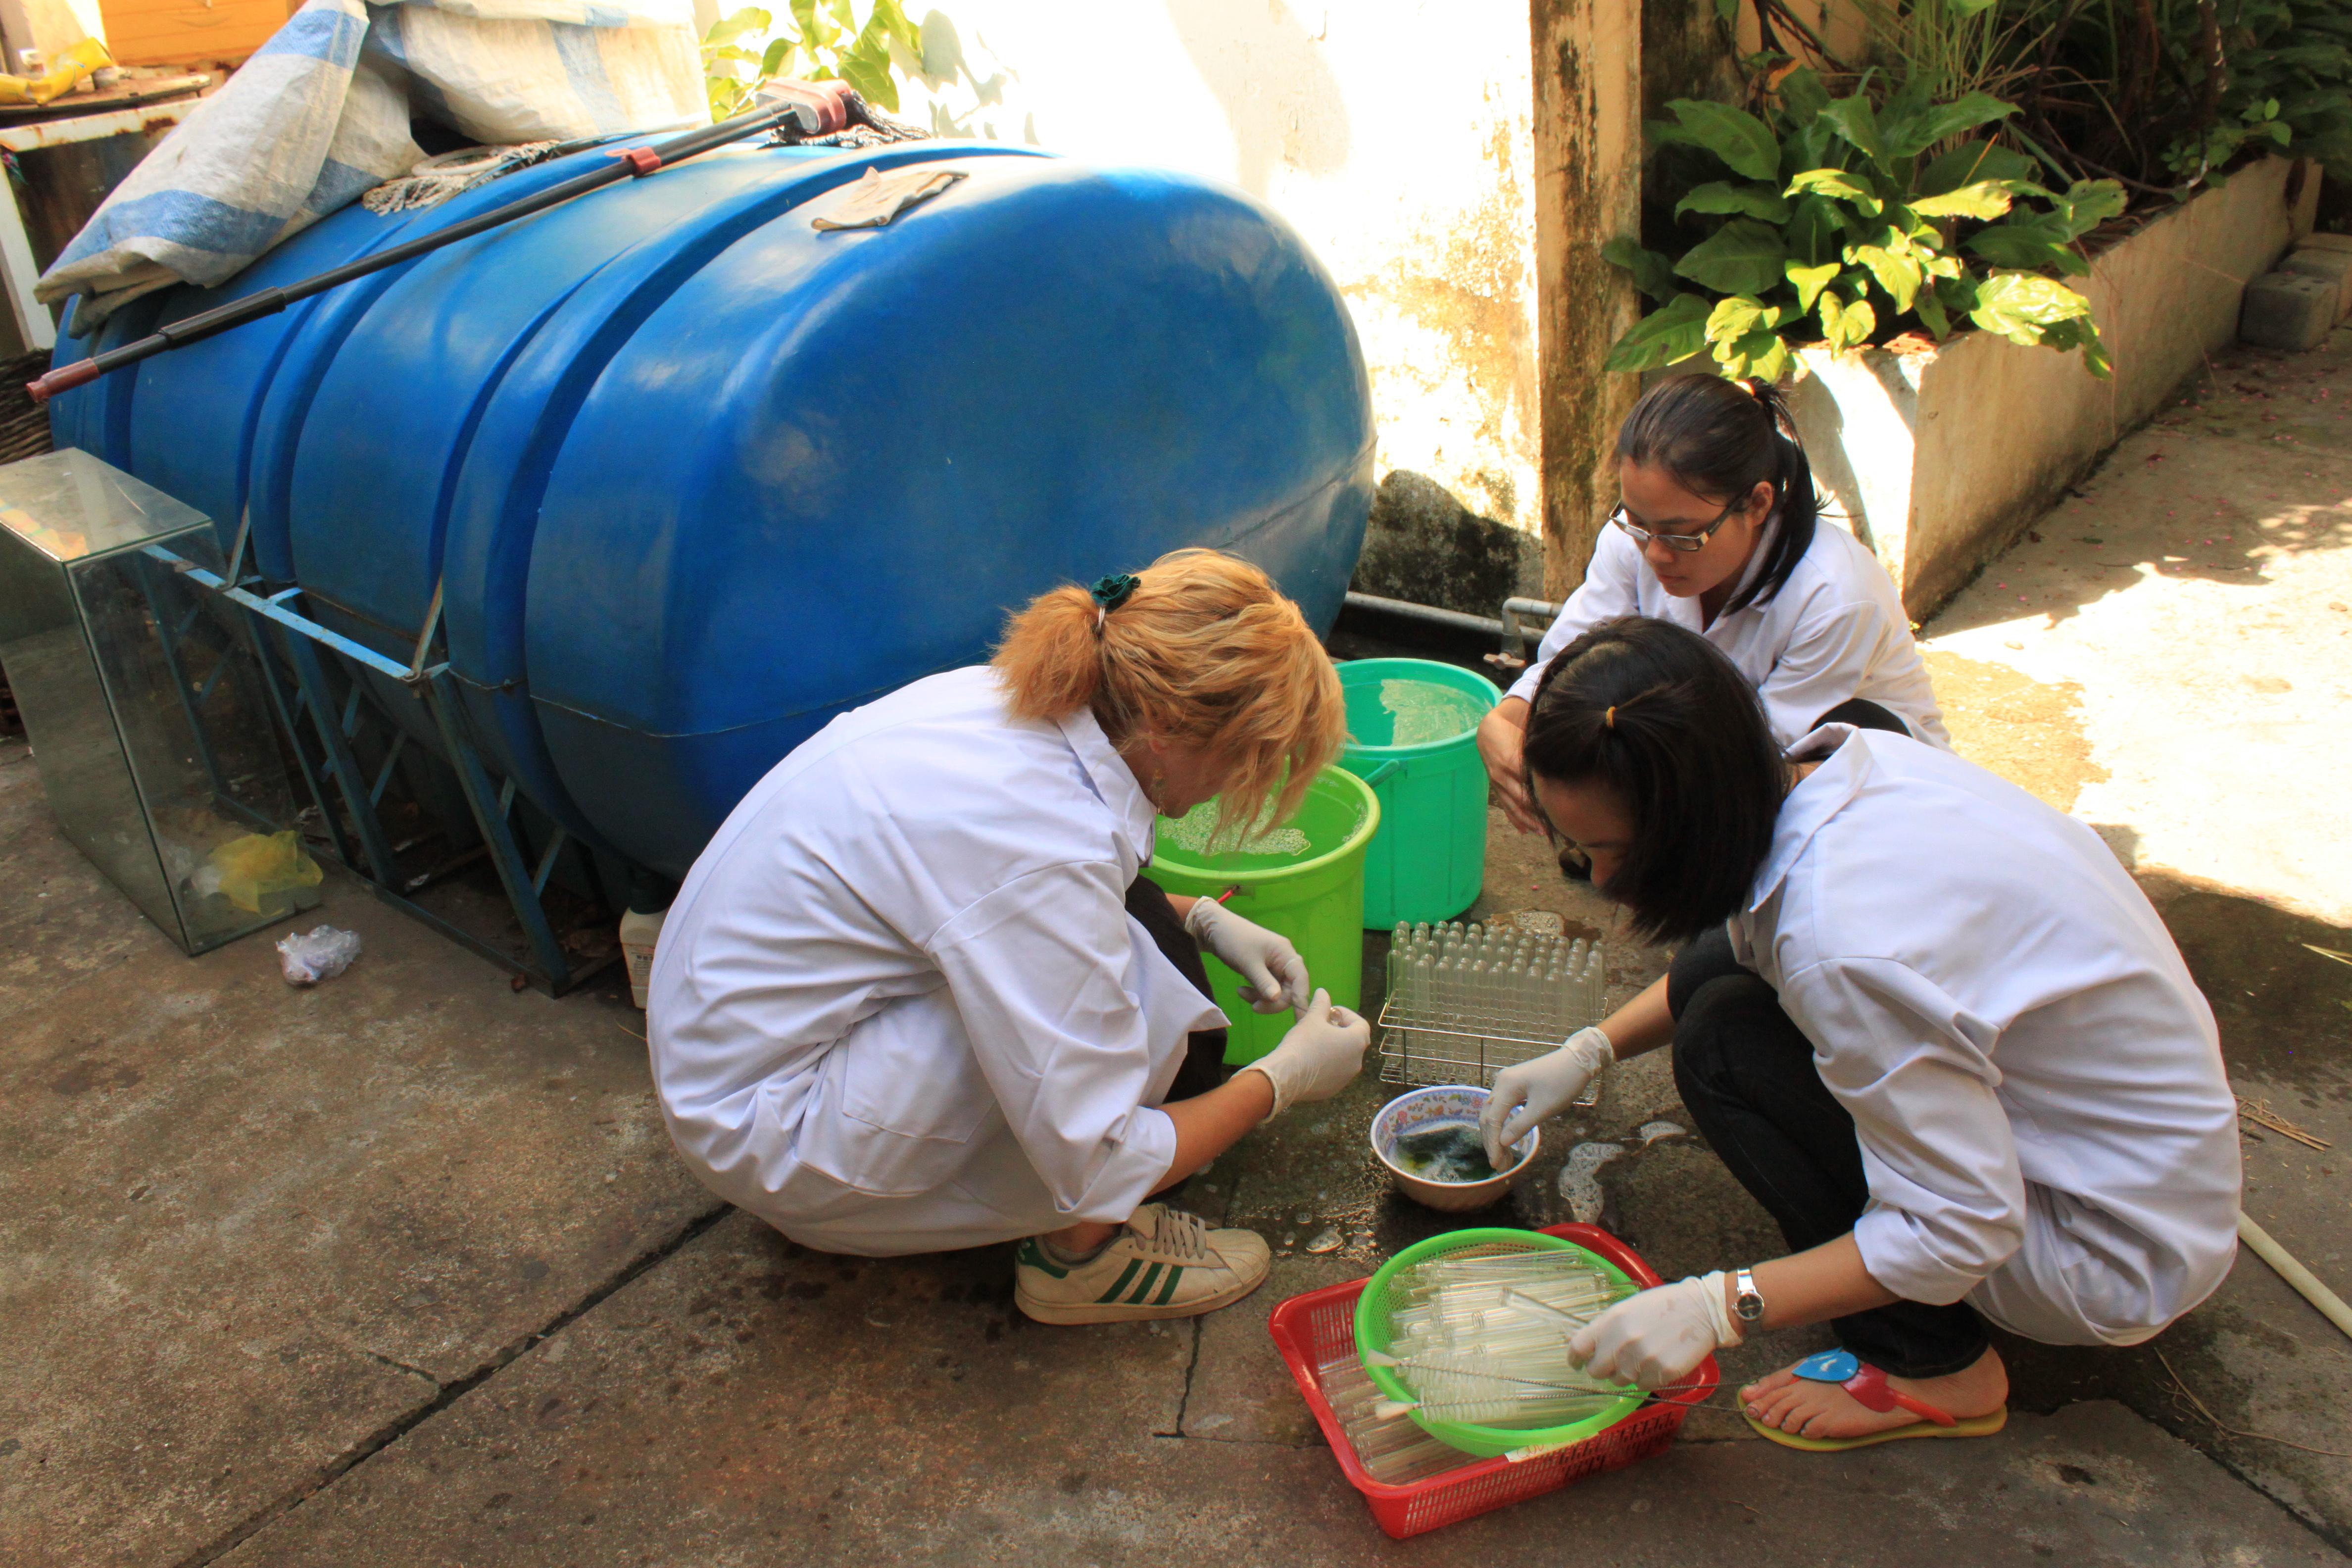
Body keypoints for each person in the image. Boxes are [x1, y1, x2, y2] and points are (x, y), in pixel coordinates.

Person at [1478, 617, 2240, 1450]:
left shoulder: (1839, 944)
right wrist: (1588, 1050)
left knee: (1723, 1044)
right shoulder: (1845, 761)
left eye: (1606, 850)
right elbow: (1739, 936)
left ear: (1690, 824)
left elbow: (1960, 1225)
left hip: (2107, 1247)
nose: (1600, 879)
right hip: (2148, 1161)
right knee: (1725, 973)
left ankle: (1935, 1363)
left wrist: (1718, 1305)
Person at [647, 550, 1374, 1324]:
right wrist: (1279, 1081)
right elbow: (1098, 1153)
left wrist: (1203, 914)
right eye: (1245, 761)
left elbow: (1010, 880)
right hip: (774, 1131)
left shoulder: (1023, 698)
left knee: (1144, 938)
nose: (1239, 787)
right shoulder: (1044, 842)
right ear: (1164, 727)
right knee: (1137, 1003)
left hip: (734, 1051)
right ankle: (1081, 1259)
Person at [1478, 375, 1948, 840]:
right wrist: (1504, 719)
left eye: (1684, 535)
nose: (1657, 553)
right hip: (1713, 748)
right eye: (1638, 522)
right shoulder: (1631, 541)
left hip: (1867, 782)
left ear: (1758, 503)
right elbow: (1568, 662)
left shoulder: (1835, 596)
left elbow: (1761, 759)